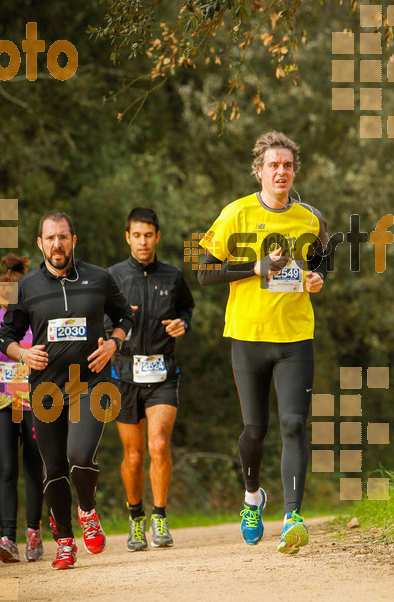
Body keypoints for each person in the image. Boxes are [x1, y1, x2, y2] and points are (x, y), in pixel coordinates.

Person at [198, 130, 328, 554]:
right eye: (273, 165)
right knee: (255, 429)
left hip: (295, 338)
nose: (281, 171)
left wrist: (318, 278)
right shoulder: (235, 214)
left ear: (295, 171)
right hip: (249, 337)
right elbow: (204, 273)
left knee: (293, 424)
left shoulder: (311, 218)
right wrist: (253, 267)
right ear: (259, 171)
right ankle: (253, 496)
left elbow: (323, 265)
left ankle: (292, 515)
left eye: (287, 165)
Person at [0, 211, 133, 570]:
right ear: (40, 243)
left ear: (74, 239)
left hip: (90, 381)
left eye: (63, 236)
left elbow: (125, 318)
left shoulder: (99, 278)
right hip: (46, 389)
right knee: (54, 468)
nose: (57, 244)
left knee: (78, 454)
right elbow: (7, 336)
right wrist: (23, 353)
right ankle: (64, 542)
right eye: (50, 238)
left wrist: (114, 344)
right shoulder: (26, 287)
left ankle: (87, 509)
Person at [108, 207, 194, 551]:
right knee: (134, 456)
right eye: (137, 235)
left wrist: (182, 324)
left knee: (158, 444)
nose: (143, 241)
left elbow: (187, 308)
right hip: (124, 374)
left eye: (149, 235)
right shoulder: (112, 277)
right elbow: (101, 319)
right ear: (127, 237)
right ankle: (135, 518)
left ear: (157, 237)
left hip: (163, 372)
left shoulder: (172, 276)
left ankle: (159, 516)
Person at [0, 254, 44, 563]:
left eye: (14, 288)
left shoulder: (30, 316)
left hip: (32, 401)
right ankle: (7, 537)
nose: (9, 293)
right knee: (6, 468)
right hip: (3, 401)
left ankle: (33, 533)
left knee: (33, 467)